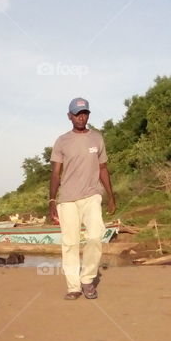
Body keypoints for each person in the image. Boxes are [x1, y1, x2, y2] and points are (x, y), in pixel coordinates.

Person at [49, 97, 116, 300]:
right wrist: (51, 201)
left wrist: (111, 196)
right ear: (70, 117)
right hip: (67, 198)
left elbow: (103, 168)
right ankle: (73, 286)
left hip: (91, 195)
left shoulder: (96, 138)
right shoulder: (62, 141)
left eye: (84, 113)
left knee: (95, 236)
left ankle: (87, 279)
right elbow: (55, 174)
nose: (81, 117)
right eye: (77, 114)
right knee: (70, 243)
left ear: (88, 115)